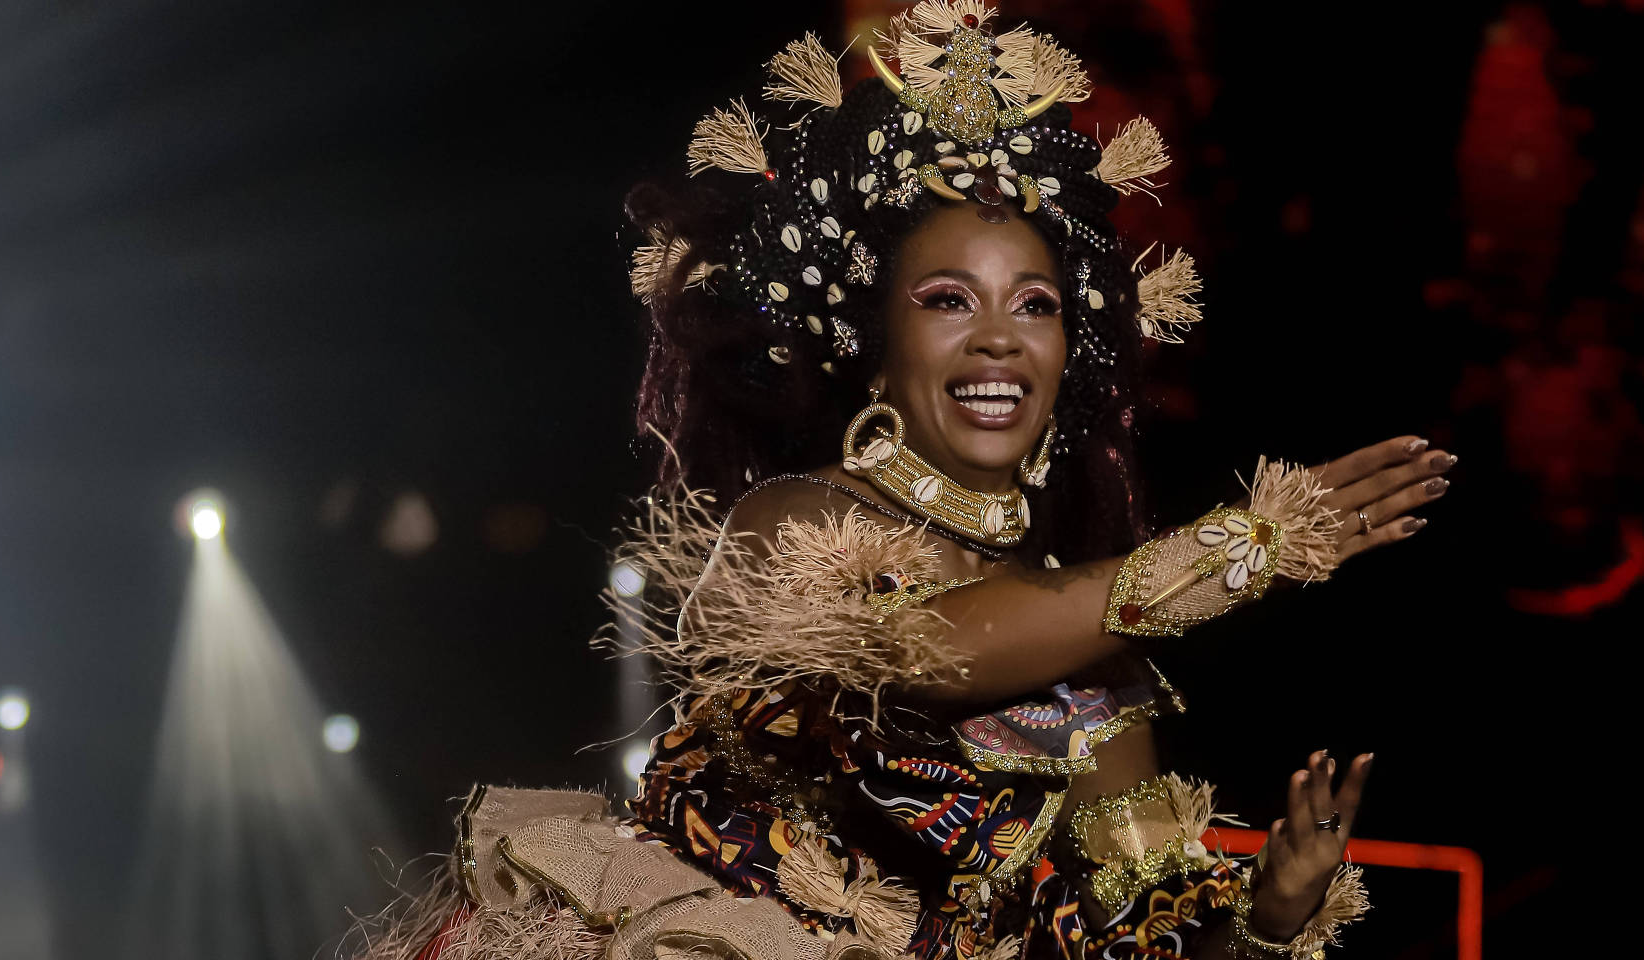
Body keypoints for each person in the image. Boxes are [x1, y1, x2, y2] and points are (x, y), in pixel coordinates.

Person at [350, 3, 1450, 957]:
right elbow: (928, 649)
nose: (998, 341)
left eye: (1035, 305)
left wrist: (1267, 915)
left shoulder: (1094, 669)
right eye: (947, 301)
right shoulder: (798, 525)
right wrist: (1249, 547)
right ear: (875, 348)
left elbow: (1132, 934)